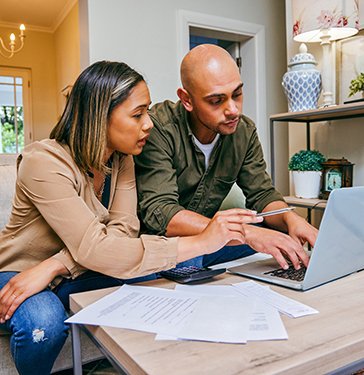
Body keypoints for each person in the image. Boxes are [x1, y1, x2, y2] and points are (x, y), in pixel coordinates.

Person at [0, 61, 261, 375]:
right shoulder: (41, 161)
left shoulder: (122, 160)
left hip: (71, 270)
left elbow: (122, 234)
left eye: (147, 111)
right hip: (22, 272)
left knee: (154, 280)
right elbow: (97, 248)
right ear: (98, 118)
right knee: (43, 326)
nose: (148, 124)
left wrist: (56, 265)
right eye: (138, 114)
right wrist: (202, 241)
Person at [135, 44, 318, 272]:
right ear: (187, 99)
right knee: (194, 259)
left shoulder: (244, 131)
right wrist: (246, 232)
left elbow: (262, 194)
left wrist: (291, 218)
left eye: (237, 94)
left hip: (213, 242)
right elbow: (161, 212)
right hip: (166, 245)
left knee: (282, 237)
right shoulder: (158, 128)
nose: (233, 110)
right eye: (216, 101)